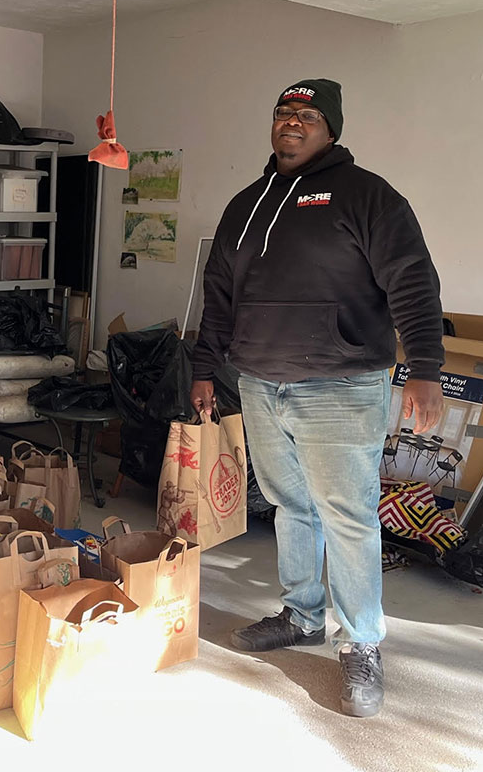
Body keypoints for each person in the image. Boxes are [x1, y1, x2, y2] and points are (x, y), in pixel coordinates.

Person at [190, 79, 444, 718]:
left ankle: (361, 642)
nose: (291, 122)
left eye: (306, 114)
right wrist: (202, 368)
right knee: (288, 506)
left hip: (340, 383)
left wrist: (425, 367)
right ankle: (303, 616)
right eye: (282, 112)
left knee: (348, 513)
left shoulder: (368, 197)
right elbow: (218, 292)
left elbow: (412, 279)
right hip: (259, 381)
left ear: (329, 126)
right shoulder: (246, 203)